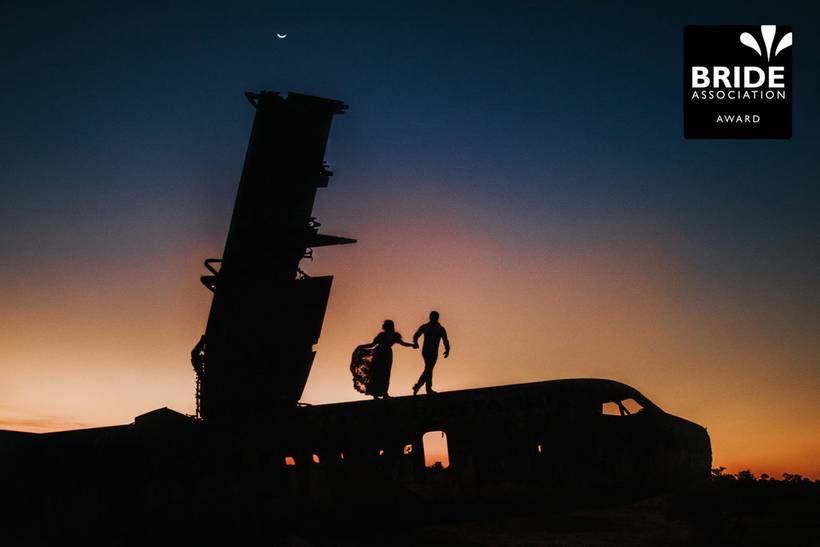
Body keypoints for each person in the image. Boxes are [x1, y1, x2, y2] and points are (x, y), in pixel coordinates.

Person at [350, 320, 415, 399]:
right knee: (376, 374)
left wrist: (411, 345)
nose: (384, 326)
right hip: (379, 354)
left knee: (385, 374)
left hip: (386, 355)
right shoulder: (381, 335)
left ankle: (384, 393)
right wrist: (361, 346)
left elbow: (403, 343)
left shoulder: (394, 335)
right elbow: (372, 344)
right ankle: (375, 394)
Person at [411, 311, 450, 395]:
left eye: (433, 317)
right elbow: (416, 335)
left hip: (434, 352)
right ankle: (422, 387)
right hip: (426, 351)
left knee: (429, 369)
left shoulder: (440, 329)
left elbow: (445, 339)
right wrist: (416, 342)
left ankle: (421, 388)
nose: (431, 318)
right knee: (429, 369)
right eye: (431, 316)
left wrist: (447, 349)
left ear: (436, 318)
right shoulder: (425, 327)